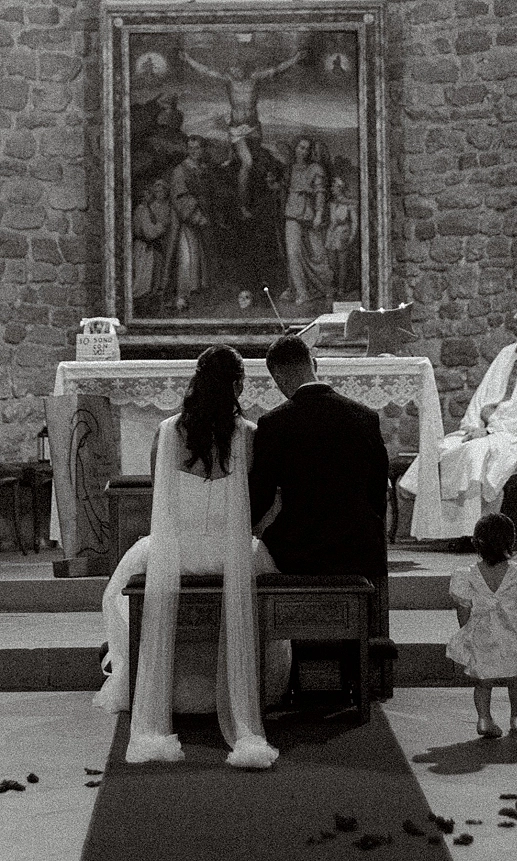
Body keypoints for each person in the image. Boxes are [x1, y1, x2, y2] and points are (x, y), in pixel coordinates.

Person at [94, 345, 290, 768]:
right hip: (231, 555)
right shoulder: (250, 434)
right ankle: (256, 697)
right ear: (238, 385)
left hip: (175, 552)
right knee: (267, 572)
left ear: (196, 382)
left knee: (116, 588)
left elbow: (158, 499)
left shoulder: (165, 432)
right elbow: (263, 503)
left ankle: (156, 695)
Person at [400, 291, 517, 546]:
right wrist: (475, 426)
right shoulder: (507, 353)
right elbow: (482, 398)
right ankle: (449, 531)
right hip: (491, 431)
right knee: (443, 448)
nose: (515, 316)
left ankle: (478, 535)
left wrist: (492, 431)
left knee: (475, 455)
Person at [249, 335, 390, 577]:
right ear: (314, 364)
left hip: (299, 549)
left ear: (278, 378)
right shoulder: (365, 417)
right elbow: (377, 491)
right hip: (358, 546)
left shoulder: (273, 424)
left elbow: (261, 496)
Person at [446, 513, 517, 737]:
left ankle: (484, 719)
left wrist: (466, 629)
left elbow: (463, 607)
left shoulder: (468, 575)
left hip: (482, 630)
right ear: (511, 541)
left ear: (476, 542)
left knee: (483, 680)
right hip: (513, 629)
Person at [180, 50, 304, 219]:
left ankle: (234, 157)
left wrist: (295, 58)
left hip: (254, 128)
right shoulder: (229, 80)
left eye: (236, 69)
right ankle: (243, 205)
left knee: (258, 156)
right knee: (247, 162)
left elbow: (277, 69)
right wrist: (188, 59)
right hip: (237, 129)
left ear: (243, 68)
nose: (233, 72)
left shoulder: (255, 78)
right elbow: (207, 71)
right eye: (231, 69)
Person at [280, 137, 334, 305]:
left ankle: (323, 287)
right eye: (300, 147)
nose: (302, 151)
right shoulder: (290, 168)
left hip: (309, 214)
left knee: (316, 254)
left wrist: (318, 214)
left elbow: (320, 193)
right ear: (295, 148)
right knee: (293, 252)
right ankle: (300, 291)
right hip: (292, 213)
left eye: (306, 148)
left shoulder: (315, 168)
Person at [164, 135, 214, 309]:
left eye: (197, 148)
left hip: (204, 218)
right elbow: (180, 197)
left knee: (201, 257)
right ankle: (181, 296)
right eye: (191, 148)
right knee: (187, 257)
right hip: (186, 221)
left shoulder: (203, 168)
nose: (194, 151)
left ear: (202, 149)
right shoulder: (180, 170)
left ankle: (197, 294)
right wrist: (197, 216)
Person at [324, 176, 358, 298]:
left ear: (340, 188)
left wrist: (352, 236)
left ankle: (341, 288)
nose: (332, 189)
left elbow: (354, 222)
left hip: (343, 233)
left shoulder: (349, 204)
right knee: (332, 263)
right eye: (332, 187)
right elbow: (328, 219)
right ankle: (334, 285)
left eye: (334, 187)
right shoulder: (331, 204)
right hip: (332, 234)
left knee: (342, 262)